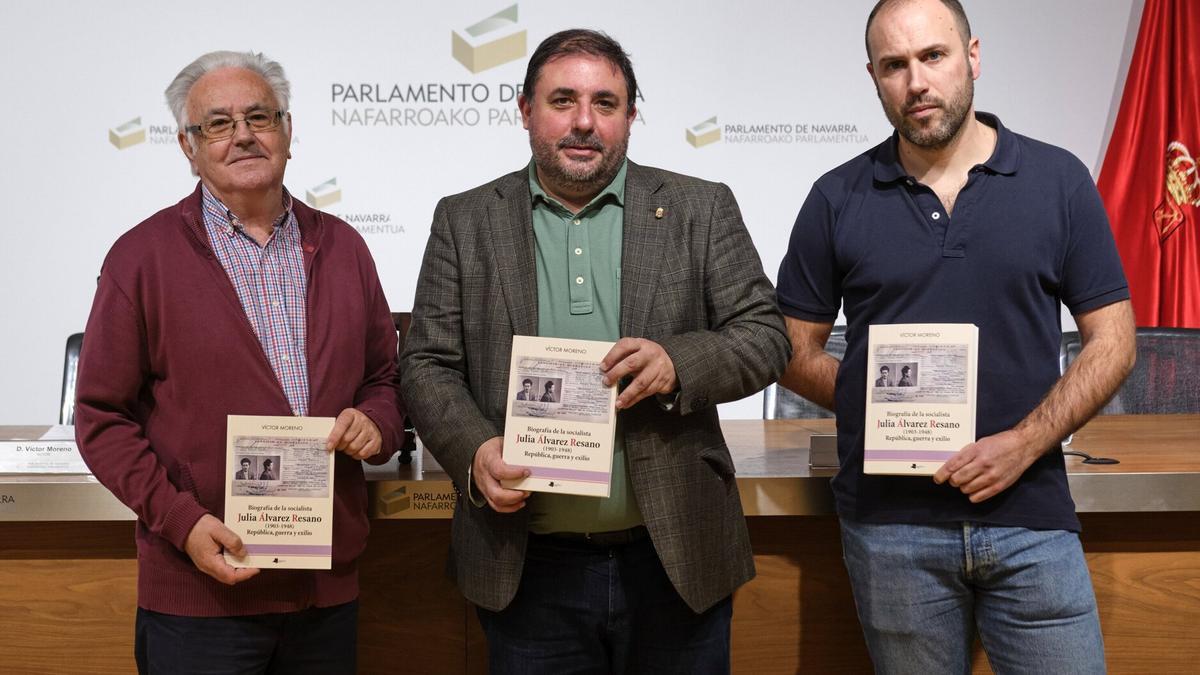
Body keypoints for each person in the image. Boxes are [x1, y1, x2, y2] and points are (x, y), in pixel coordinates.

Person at [401, 29, 789, 674]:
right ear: (525, 110)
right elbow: (426, 363)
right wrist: (474, 450)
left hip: (675, 556)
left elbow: (766, 336)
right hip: (527, 567)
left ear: (631, 116)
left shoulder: (700, 207)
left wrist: (677, 363)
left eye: (606, 104)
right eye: (563, 101)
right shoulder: (465, 219)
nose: (585, 122)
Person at [776, 1, 1135, 672]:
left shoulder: (1058, 181)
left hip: (1029, 513)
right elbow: (790, 349)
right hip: (890, 526)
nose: (916, 82)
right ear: (874, 77)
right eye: (894, 65)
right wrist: (879, 402)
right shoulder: (836, 196)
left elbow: (1114, 340)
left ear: (972, 56)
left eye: (933, 56)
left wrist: (1023, 444)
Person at [73, 50, 403, 675]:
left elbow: (383, 379)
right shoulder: (140, 258)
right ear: (187, 147)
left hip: (324, 593)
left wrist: (375, 422)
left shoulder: (344, 247)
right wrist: (182, 521)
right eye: (218, 124)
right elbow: (100, 417)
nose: (244, 135)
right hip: (201, 600)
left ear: (286, 131)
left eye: (260, 116)